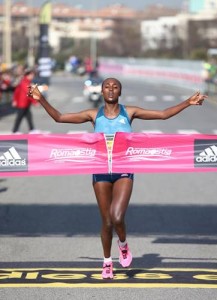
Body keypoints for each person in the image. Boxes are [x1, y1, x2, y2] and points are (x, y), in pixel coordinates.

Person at [28, 78, 207, 279]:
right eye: (107, 87)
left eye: (115, 87)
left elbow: (163, 115)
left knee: (117, 216)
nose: (111, 90)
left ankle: (123, 244)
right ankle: (106, 262)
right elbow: (59, 118)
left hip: (123, 169)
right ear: (102, 91)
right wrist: (41, 99)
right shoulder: (92, 114)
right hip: (100, 170)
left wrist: (187, 102)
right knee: (106, 221)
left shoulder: (128, 112)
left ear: (120, 92)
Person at [12, 68, 37, 133]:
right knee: (19, 117)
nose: (33, 77)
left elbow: (17, 91)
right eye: (32, 75)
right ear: (28, 75)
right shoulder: (24, 82)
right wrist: (34, 102)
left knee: (29, 116)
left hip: (26, 103)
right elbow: (29, 93)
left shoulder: (27, 82)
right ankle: (15, 131)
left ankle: (32, 129)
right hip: (22, 103)